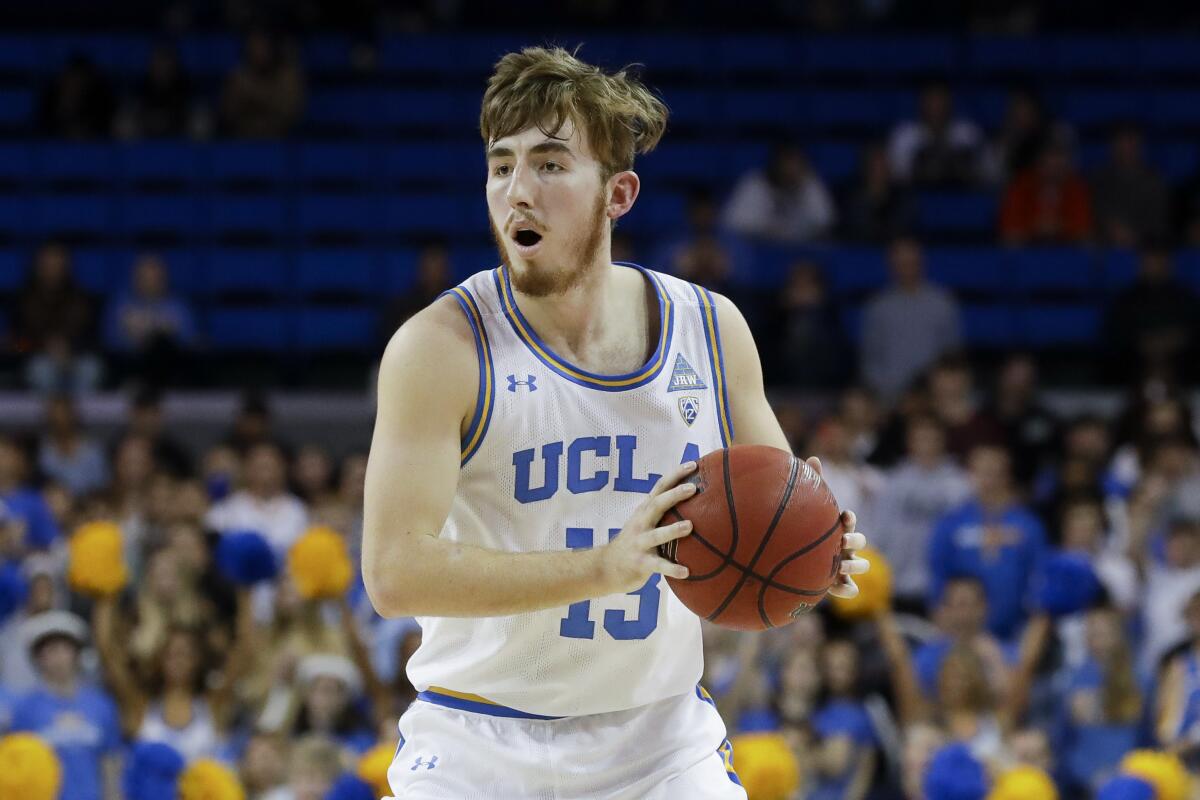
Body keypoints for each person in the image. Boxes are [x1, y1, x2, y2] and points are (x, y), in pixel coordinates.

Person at [361, 46, 867, 799]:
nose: (517, 192)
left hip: (660, 743)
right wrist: (604, 566)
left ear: (617, 193)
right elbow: (393, 574)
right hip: (478, 741)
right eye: (502, 166)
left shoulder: (711, 329)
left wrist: (819, 549)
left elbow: (771, 511)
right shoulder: (440, 349)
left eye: (550, 165)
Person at [10, 611, 122, 800]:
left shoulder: (102, 705)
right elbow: (17, 770)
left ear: (77, 654)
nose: (60, 657)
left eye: (65, 648)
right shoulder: (25, 710)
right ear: (38, 658)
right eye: (52, 650)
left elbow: (111, 766)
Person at [859, 237, 962, 404]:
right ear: (891, 266)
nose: (906, 268)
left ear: (921, 262)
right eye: (901, 263)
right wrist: (887, 392)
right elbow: (870, 361)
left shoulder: (943, 303)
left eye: (911, 262)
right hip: (889, 400)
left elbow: (952, 356)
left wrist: (933, 390)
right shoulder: (877, 307)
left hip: (934, 398)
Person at [720, 142, 837, 244]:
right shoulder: (755, 184)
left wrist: (802, 191)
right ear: (776, 164)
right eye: (786, 164)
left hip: (801, 250)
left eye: (796, 164)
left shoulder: (810, 184)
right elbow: (733, 223)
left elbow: (825, 220)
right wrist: (766, 230)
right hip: (758, 250)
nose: (791, 170)